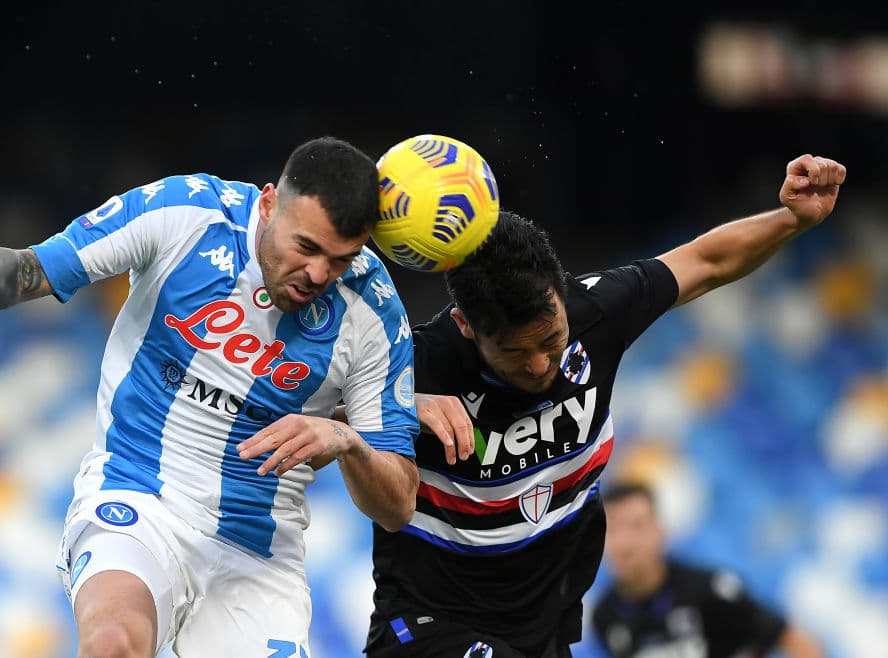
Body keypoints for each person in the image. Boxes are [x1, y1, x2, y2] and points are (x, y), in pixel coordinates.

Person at [0, 136, 420, 658]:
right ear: (267, 203)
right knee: (116, 642)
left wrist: (348, 441)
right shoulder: (186, 214)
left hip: (259, 553)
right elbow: (29, 270)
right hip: (139, 496)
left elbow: (397, 505)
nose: (319, 275)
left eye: (341, 260)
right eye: (306, 248)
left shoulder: (372, 311)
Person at [363, 154, 846, 658]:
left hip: (538, 629)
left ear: (559, 294)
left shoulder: (596, 312)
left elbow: (707, 261)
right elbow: (291, 409)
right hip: (429, 626)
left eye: (550, 338)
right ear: (466, 326)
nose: (538, 364)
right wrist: (399, 405)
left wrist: (791, 219)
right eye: (513, 352)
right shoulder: (416, 364)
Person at [592, 482, 824, 658]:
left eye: (637, 526)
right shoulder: (604, 617)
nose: (625, 543)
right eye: (613, 528)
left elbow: (797, 642)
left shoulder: (710, 592)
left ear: (661, 532)